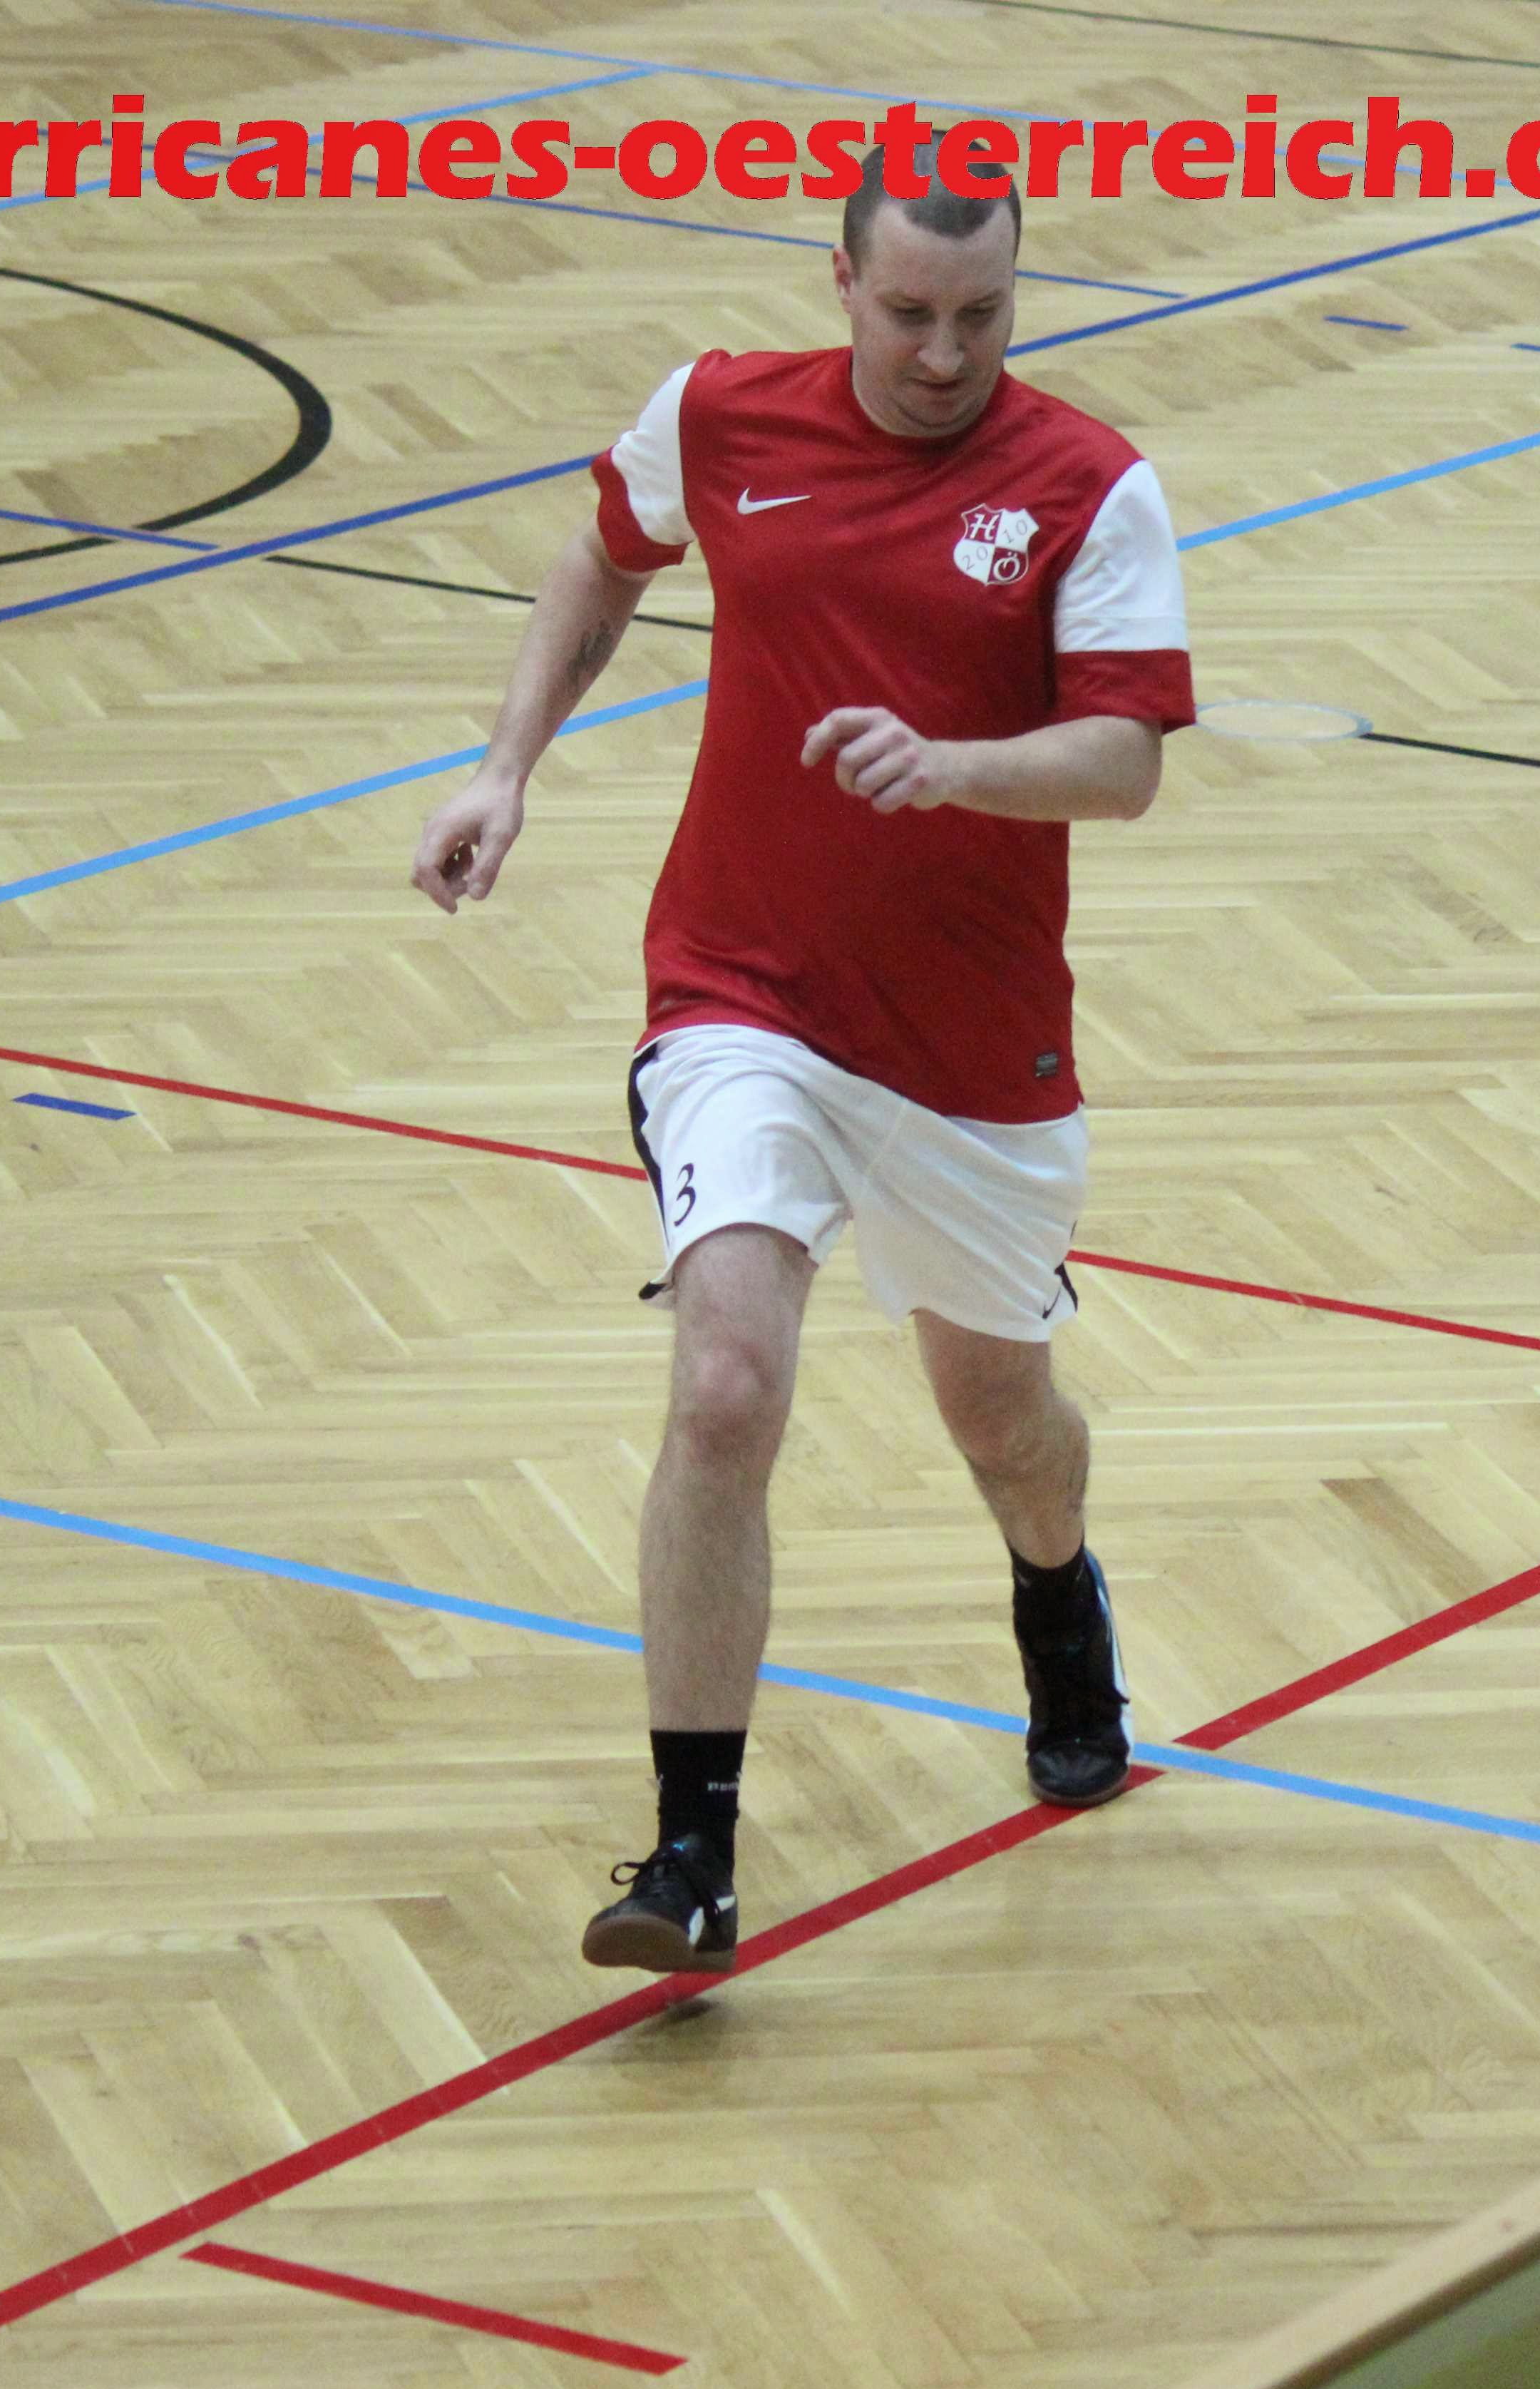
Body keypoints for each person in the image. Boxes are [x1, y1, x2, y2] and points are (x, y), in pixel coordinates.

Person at [408, 143, 1194, 1977]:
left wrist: (955, 765)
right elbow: (601, 560)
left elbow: (1127, 759)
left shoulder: (1090, 487)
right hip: (739, 994)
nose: (946, 353)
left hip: (973, 1052)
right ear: (839, 282)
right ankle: (692, 1854)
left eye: (983, 315)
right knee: (725, 1383)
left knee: (1004, 1424)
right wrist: (505, 768)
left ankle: (1055, 1589)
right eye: (909, 313)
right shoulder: (717, 415)